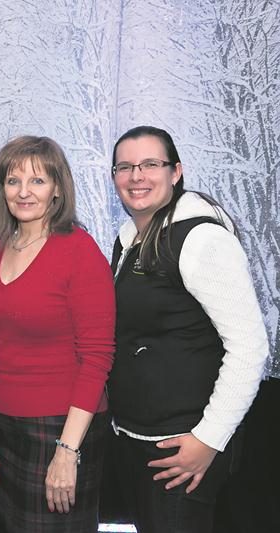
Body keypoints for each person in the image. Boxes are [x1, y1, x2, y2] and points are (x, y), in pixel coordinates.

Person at [107, 125, 269, 533]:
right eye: (125, 166)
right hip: (136, 441)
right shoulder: (129, 241)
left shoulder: (201, 239)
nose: (136, 175)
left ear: (176, 171)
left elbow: (250, 348)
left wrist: (209, 440)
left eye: (150, 164)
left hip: (183, 450)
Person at [0, 136, 115, 532]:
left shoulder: (79, 252)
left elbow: (98, 357)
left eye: (37, 181)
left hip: (60, 429)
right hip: (4, 426)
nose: (24, 192)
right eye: (13, 181)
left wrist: (67, 452)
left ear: (57, 190)